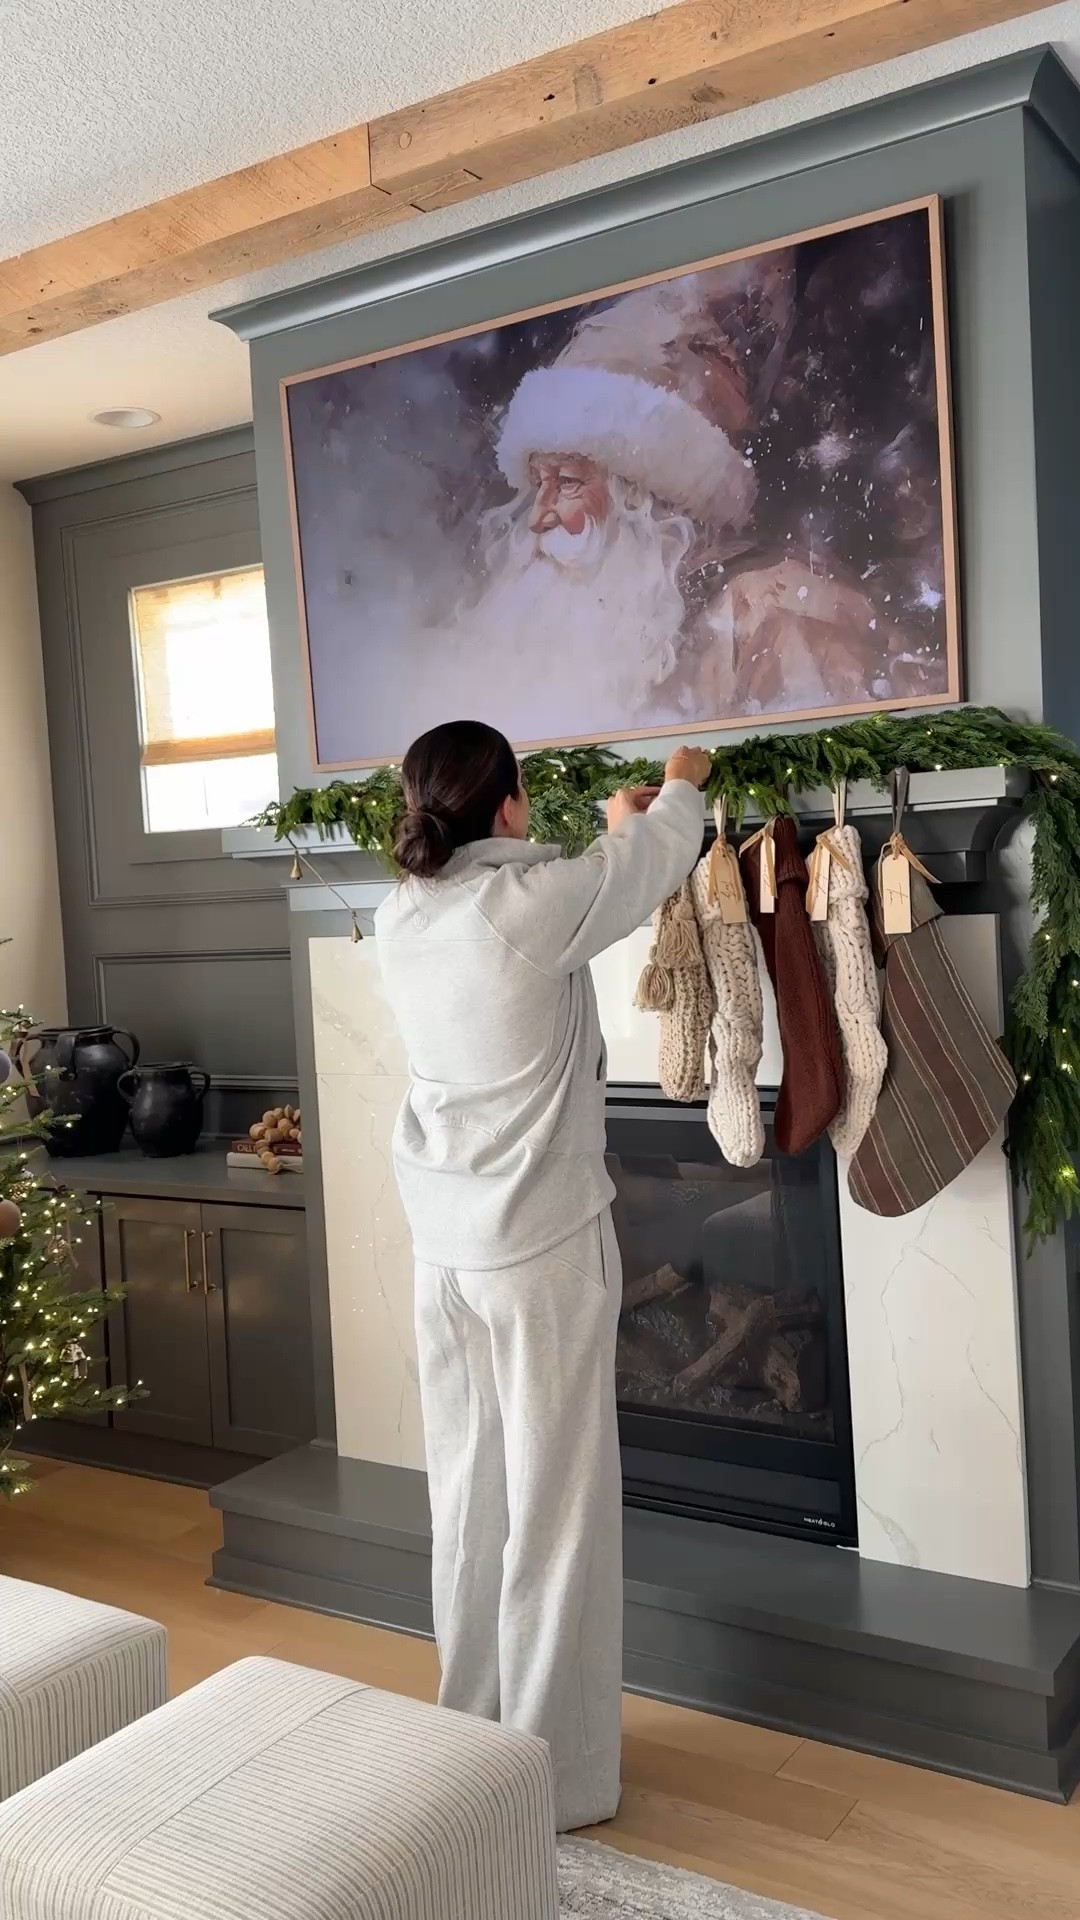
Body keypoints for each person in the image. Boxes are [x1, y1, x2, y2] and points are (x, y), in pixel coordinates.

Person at [374, 720, 710, 1832]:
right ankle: (555, 1779)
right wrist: (675, 784)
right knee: (557, 1513)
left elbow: (582, 878)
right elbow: (653, 858)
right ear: (511, 801)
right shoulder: (533, 909)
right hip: (539, 1250)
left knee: (468, 1500)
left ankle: (468, 1732)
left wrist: (605, 837)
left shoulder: (404, 914)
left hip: (444, 1250)